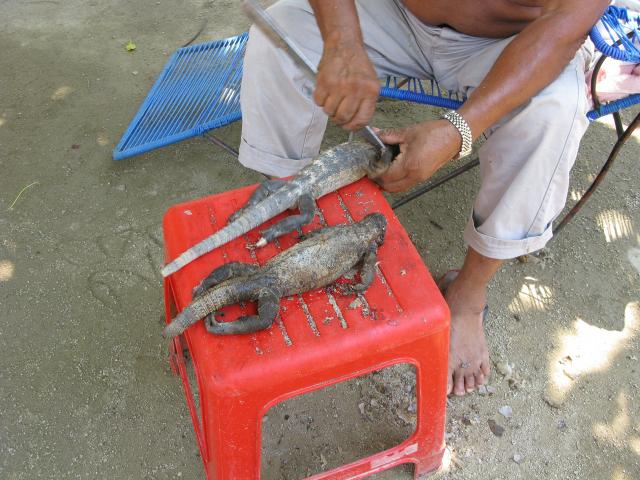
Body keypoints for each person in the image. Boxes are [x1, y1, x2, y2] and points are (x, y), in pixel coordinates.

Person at [238, 0, 609, 396]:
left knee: (555, 109)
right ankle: (288, 204)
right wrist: (342, 41)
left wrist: (457, 132)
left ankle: (467, 295)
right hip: (393, 12)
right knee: (279, 31)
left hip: (510, 41)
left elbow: (561, 28)